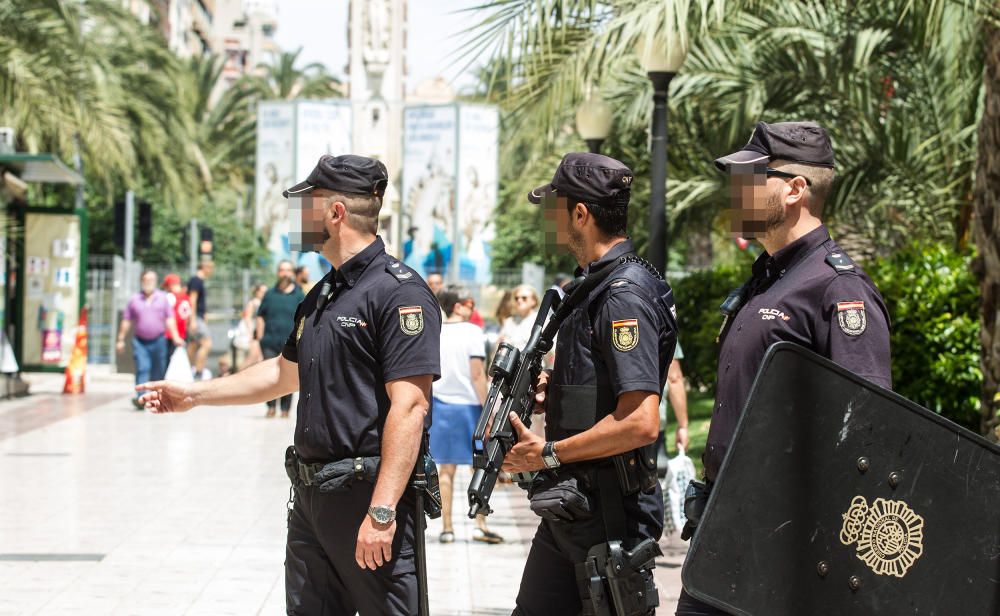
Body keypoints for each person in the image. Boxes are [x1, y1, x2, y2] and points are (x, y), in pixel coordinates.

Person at [137, 154, 441, 616]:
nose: (297, 217)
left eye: (308, 204)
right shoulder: (323, 295)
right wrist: (194, 395)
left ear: (336, 214)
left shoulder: (398, 293)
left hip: (367, 499)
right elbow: (282, 373)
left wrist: (382, 512)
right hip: (312, 500)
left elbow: (411, 407)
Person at [675, 121, 891, 616]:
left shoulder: (839, 290)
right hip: (722, 522)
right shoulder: (767, 280)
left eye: (751, 178)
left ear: (795, 189)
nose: (736, 191)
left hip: (783, 541)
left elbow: (868, 431)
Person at [502, 153, 678, 616]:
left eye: (553, 208)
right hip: (571, 507)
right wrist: (557, 387)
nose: (548, 220)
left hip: (609, 519)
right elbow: (603, 382)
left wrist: (547, 453)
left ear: (580, 213)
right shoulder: (591, 285)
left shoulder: (624, 295)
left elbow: (641, 422)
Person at [430, 285, 502, 545]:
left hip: (440, 406)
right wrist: (489, 410)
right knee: (479, 468)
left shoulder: (434, 330)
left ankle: (447, 528)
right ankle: (479, 524)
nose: (473, 307)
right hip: (470, 408)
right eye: (469, 303)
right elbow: (476, 374)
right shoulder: (473, 332)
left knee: (444, 471)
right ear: (457, 306)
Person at [117, 271, 184, 409]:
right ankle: (141, 398)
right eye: (146, 280)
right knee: (142, 368)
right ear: (141, 281)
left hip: (159, 340)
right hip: (140, 341)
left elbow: (169, 319)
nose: (149, 282)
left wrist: (176, 336)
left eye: (152, 280)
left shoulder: (162, 298)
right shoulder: (134, 299)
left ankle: (156, 397)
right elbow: (127, 320)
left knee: (159, 370)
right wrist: (121, 339)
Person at [257, 260, 305, 418]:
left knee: (288, 375)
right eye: (282, 270)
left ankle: (285, 410)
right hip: (270, 341)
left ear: (292, 273)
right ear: (278, 272)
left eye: (288, 270)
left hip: (291, 344)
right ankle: (270, 407)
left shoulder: (299, 294)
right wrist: (259, 337)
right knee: (268, 376)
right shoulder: (269, 294)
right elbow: (260, 316)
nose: (285, 273)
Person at [186, 260, 214, 380]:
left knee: (193, 344)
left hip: (198, 317)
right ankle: (198, 370)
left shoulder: (198, 281)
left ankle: (189, 368)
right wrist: (193, 320)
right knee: (206, 343)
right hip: (195, 317)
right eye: (211, 268)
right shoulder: (197, 281)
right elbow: (192, 299)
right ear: (204, 267)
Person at [497, 284, 539, 349]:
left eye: (524, 298)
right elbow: (498, 347)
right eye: (516, 298)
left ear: (534, 301)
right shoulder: (509, 322)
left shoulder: (542, 320)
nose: (519, 300)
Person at [237, 283, 269, 370]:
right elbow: (247, 318)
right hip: (252, 333)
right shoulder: (253, 303)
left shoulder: (265, 303)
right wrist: (250, 333)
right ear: (257, 292)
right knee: (252, 358)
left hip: (259, 333)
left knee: (259, 358)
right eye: (262, 291)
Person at [163, 273, 192, 352]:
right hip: (183, 333)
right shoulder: (186, 297)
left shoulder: (170, 297)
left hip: (170, 335)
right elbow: (188, 317)